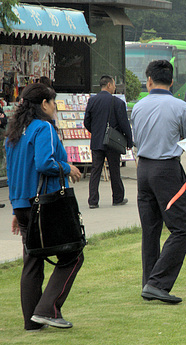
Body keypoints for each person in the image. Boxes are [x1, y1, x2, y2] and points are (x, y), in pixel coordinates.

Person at [5, 83, 83, 330]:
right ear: (44, 104)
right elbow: (44, 163)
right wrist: (67, 167)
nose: (55, 108)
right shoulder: (44, 129)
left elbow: (13, 171)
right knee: (73, 254)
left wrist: (17, 208)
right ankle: (47, 309)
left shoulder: (14, 133)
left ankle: (32, 321)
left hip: (22, 204)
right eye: (53, 102)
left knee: (33, 259)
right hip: (45, 203)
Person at [131, 60, 186, 304]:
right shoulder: (179, 106)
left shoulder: (138, 106)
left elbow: (137, 139)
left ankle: (149, 282)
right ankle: (157, 283)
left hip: (144, 168)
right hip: (167, 169)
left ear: (149, 80)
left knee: (150, 230)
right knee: (181, 228)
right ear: (171, 82)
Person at [84, 75, 133, 209]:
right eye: (114, 85)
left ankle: (93, 200)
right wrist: (129, 141)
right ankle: (117, 198)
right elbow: (124, 124)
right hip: (112, 142)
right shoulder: (117, 103)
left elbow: (86, 121)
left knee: (95, 171)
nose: (115, 88)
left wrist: (96, 131)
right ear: (109, 85)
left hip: (97, 141)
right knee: (114, 170)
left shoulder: (92, 101)